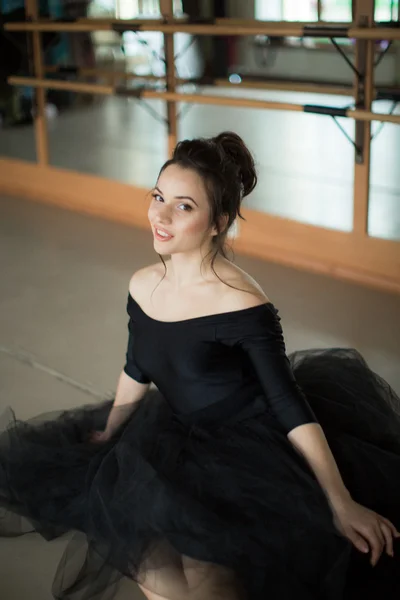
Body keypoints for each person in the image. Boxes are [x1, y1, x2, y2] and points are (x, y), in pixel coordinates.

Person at [0, 131, 400, 600]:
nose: (160, 215)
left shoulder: (242, 302)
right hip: (170, 434)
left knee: (212, 590)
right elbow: (136, 367)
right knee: (157, 581)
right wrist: (110, 432)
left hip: (247, 448)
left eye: (184, 206)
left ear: (219, 222)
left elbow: (287, 402)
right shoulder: (143, 284)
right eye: (158, 196)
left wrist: (340, 502)